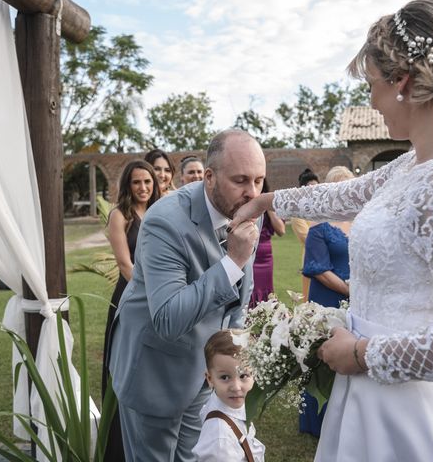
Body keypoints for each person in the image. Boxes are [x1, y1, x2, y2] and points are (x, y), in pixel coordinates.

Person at [232, 0, 433, 460]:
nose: (371, 101)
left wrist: (362, 354)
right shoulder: (419, 161)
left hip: (416, 415)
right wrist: (267, 200)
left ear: (402, 81)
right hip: (379, 399)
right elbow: (346, 195)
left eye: (372, 84)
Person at [109, 129, 266, 462]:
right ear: (209, 177)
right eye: (240, 180)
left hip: (202, 372)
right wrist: (234, 259)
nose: (252, 193)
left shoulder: (250, 206)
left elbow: (239, 297)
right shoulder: (164, 222)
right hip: (154, 371)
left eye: (259, 181)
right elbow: (167, 318)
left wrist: (231, 355)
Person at [102, 159, 161, 461]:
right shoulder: (119, 215)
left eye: (148, 182)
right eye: (137, 182)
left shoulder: (161, 211)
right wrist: (155, 295)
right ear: (127, 184)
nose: (143, 188)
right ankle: (118, 450)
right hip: (131, 300)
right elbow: (126, 265)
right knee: (126, 371)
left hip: (159, 299)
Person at [299, 166, 353, 437]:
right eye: (339, 188)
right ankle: (318, 422)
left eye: (349, 188)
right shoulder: (319, 227)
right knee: (323, 357)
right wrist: (348, 289)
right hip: (327, 299)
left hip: (356, 302)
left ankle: (348, 420)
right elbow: (318, 267)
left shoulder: (360, 221)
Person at [192, 330, 266, 462]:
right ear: (210, 379)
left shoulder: (229, 406)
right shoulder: (221, 441)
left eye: (243, 376)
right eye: (225, 377)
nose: (236, 387)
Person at [250, 179, 285, 307]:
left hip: (265, 257)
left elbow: (281, 230)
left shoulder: (269, 201)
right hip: (248, 253)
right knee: (250, 289)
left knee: (266, 290)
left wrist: (267, 206)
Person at [290, 168, 319, 302]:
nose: (314, 190)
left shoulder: (322, 208)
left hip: (330, 259)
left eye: (316, 186)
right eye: (310, 187)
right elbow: (306, 237)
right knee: (310, 299)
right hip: (311, 259)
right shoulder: (297, 212)